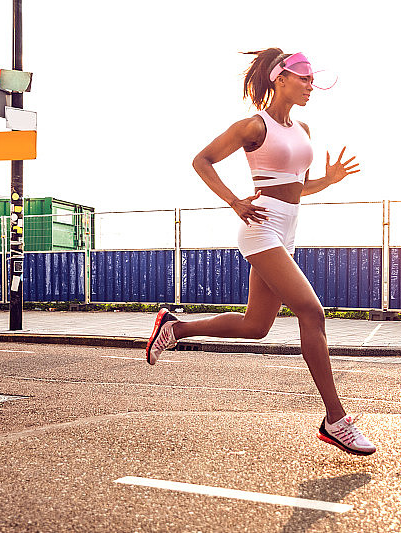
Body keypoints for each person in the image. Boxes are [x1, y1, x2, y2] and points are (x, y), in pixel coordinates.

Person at [146, 48, 375, 456]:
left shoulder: (302, 128)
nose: (310, 86)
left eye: (311, 80)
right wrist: (234, 201)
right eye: (303, 78)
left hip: (287, 230)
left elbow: (297, 188)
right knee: (311, 311)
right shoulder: (254, 125)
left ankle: (174, 328)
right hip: (261, 228)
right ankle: (335, 420)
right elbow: (202, 160)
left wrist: (330, 180)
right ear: (279, 78)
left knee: (256, 327)